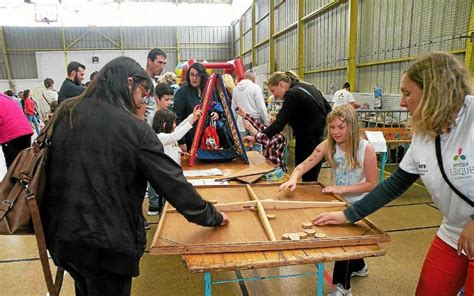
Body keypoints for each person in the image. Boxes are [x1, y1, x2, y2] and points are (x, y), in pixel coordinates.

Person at [41, 56, 229, 296]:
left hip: (62, 239)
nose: (141, 104)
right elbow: (171, 183)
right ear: (129, 83)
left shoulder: (68, 112)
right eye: (142, 95)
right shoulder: (132, 128)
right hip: (106, 245)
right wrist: (212, 215)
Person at [313, 52, 474, 296]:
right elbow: (394, 184)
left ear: (435, 91)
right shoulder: (424, 131)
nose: (401, 102)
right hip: (454, 229)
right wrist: (349, 215)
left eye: (407, 93)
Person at [280, 104, 377, 296]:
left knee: (344, 240)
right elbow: (303, 165)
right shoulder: (328, 145)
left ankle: (342, 288)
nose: (336, 132)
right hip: (339, 199)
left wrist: (341, 188)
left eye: (341, 127)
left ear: (352, 126)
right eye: (332, 128)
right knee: (349, 241)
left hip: (359, 202)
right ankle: (360, 265)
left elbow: (372, 184)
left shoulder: (366, 149)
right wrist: (293, 178)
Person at [247, 71, 332, 181]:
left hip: (307, 142)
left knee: (308, 180)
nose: (274, 96)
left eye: (273, 91)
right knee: (311, 179)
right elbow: (328, 110)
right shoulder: (309, 87)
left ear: (281, 84)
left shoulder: (292, 94)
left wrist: (256, 137)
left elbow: (278, 125)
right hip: (319, 141)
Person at [173, 62, 221, 152]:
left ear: (202, 77)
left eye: (197, 76)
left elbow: (217, 106)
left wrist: (217, 114)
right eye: (192, 75)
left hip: (208, 137)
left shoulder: (210, 90)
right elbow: (177, 118)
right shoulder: (182, 93)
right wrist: (181, 141)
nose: (194, 78)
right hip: (189, 138)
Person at [146, 83, 174, 216]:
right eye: (166, 100)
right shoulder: (152, 117)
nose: (169, 102)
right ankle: (153, 205)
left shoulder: (168, 113)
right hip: (155, 153)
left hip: (166, 153)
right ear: (157, 98)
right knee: (154, 180)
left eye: (171, 99)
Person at [237, 107, 287, 171]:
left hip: (278, 170)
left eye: (272, 122)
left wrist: (253, 130)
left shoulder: (280, 137)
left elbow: (268, 142)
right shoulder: (271, 131)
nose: (269, 123)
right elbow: (259, 125)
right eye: (269, 121)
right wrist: (245, 115)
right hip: (269, 166)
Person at [0, 93, 33, 169]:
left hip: (12, 134)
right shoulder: (6, 97)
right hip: (25, 131)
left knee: (13, 166)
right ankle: (27, 179)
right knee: (25, 163)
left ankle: (14, 180)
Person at [232, 69, 268, 136]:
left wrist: (233, 122)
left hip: (240, 122)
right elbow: (261, 107)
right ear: (254, 78)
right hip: (254, 121)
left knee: (244, 144)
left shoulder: (236, 89)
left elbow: (233, 107)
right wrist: (266, 122)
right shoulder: (256, 88)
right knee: (257, 144)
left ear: (245, 77)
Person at [144, 48, 167, 124]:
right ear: (149, 61)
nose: (162, 67)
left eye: (164, 63)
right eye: (160, 62)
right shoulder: (143, 82)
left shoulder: (153, 81)